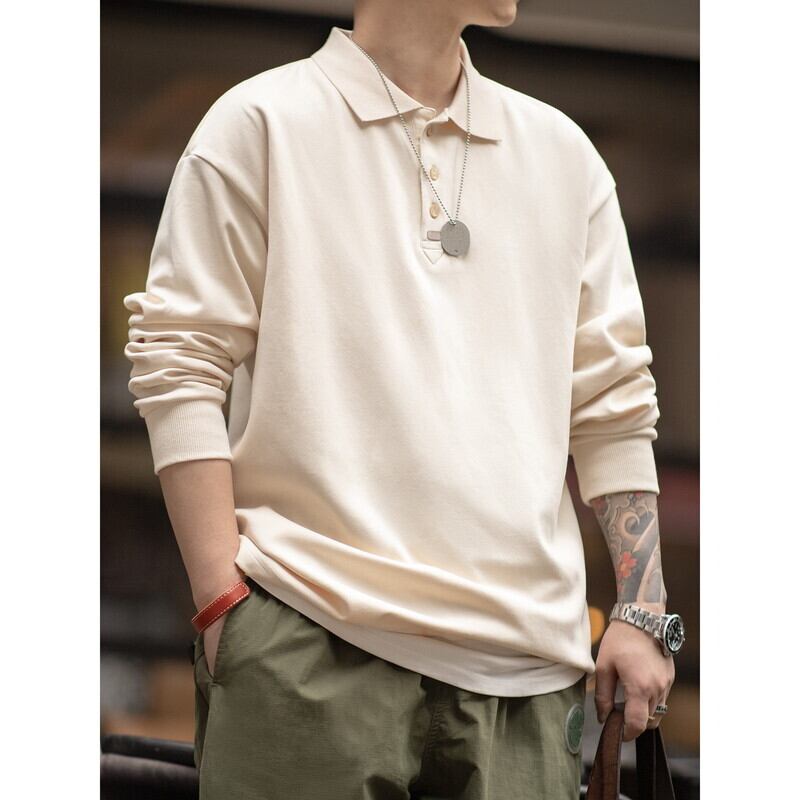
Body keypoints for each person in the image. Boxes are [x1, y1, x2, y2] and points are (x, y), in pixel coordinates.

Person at [123, 2, 683, 798]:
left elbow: (613, 403)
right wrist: (224, 607)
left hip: (525, 681)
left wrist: (643, 608)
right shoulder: (259, 123)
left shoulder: (565, 157)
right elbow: (180, 362)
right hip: (307, 643)